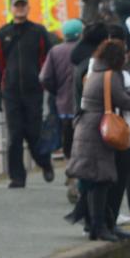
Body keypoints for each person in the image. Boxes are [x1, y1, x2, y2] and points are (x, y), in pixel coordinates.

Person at [67, 40, 130, 242]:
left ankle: (99, 225)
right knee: (101, 180)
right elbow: (125, 101)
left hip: (87, 128)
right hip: (98, 132)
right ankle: (100, 228)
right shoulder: (111, 76)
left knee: (94, 180)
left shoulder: (95, 73)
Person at [0, 0, 55, 188]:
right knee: (15, 135)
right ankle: (17, 177)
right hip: (11, 92)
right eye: (16, 5)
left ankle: (45, 163)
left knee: (34, 133)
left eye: (23, 5)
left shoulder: (38, 31)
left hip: (34, 91)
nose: (20, 8)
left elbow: (48, 59)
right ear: (10, 8)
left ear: (28, 7)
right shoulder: (3, 34)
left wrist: (47, 83)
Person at [39, 19, 84, 161]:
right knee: (82, 138)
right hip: (84, 103)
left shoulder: (55, 51)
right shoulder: (86, 50)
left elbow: (44, 77)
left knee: (67, 137)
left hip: (63, 104)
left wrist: (56, 91)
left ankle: (69, 163)